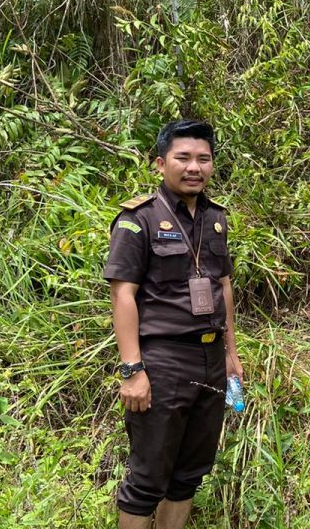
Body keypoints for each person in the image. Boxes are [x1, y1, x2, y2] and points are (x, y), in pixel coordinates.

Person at [103, 119, 244, 529]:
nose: (194, 167)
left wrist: (231, 355)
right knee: (148, 477)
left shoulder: (216, 219)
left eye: (203, 158)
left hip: (210, 358)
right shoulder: (138, 220)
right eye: (183, 157)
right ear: (161, 163)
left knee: (189, 474)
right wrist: (133, 369)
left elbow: (223, 286)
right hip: (163, 361)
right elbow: (123, 294)